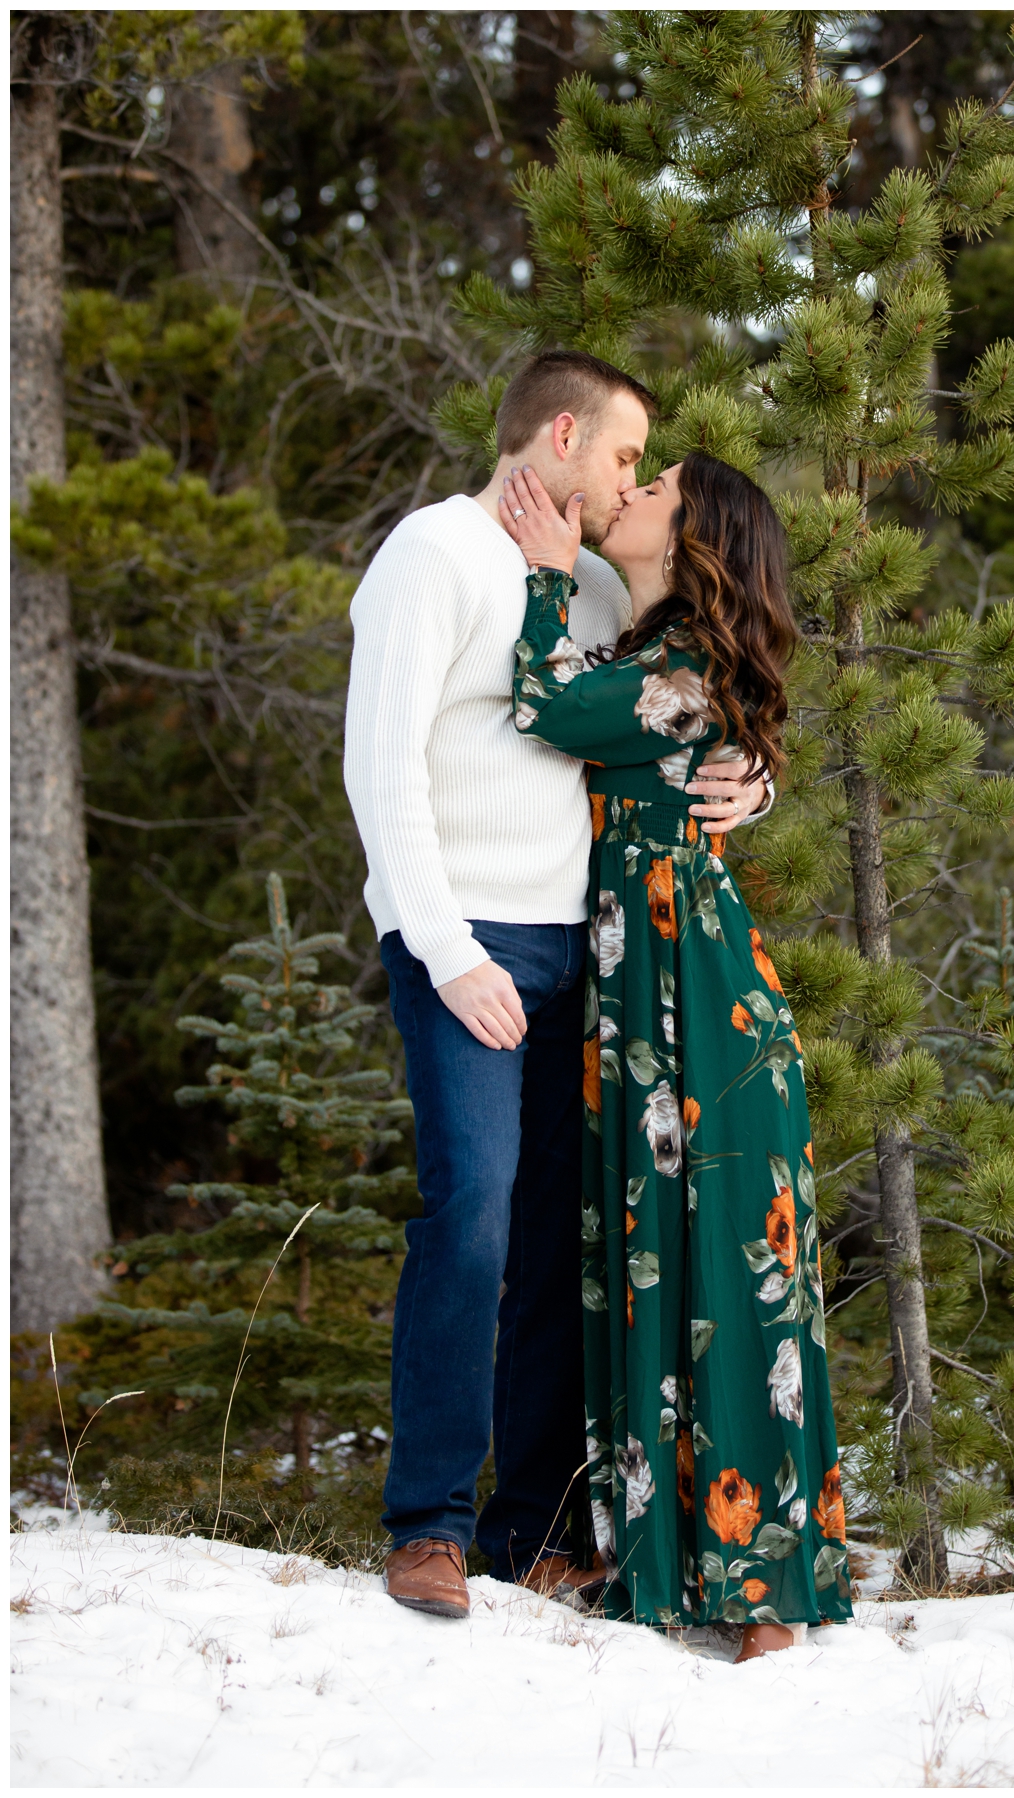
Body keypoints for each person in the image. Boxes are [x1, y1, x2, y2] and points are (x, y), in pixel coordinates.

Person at [344, 352, 769, 1620]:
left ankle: (530, 1529)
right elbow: (382, 770)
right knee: (471, 1211)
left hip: (587, 945)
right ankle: (429, 1521)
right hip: (466, 934)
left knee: (555, 1241)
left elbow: (674, 706)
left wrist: (752, 777)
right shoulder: (432, 553)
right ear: (566, 436)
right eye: (629, 456)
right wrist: (445, 947)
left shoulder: (584, 581)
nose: (633, 480)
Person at [496, 450, 852, 1660]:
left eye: (658, 488)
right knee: (645, 1249)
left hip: (698, 1002)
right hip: (630, 998)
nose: (633, 493)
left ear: (696, 534)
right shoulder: (649, 651)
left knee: (728, 1260)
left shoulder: (685, 662)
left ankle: (761, 1590)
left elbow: (542, 709)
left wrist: (546, 577)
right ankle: (655, 1557)